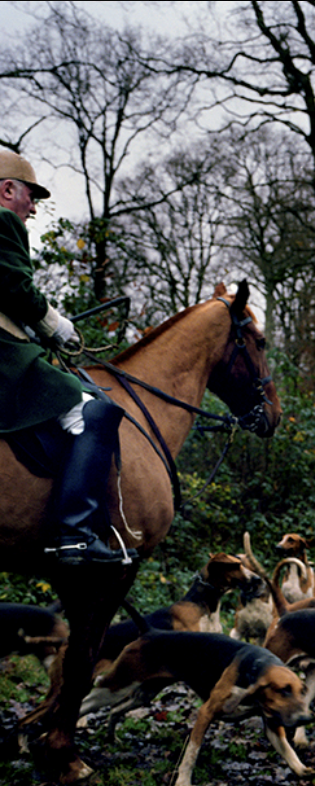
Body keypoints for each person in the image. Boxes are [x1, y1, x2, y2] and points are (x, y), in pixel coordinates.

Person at [1, 150, 133, 565]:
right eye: (30, 197)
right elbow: (15, 288)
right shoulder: (2, 220)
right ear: (7, 190)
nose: (33, 209)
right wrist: (53, 324)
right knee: (95, 411)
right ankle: (75, 535)